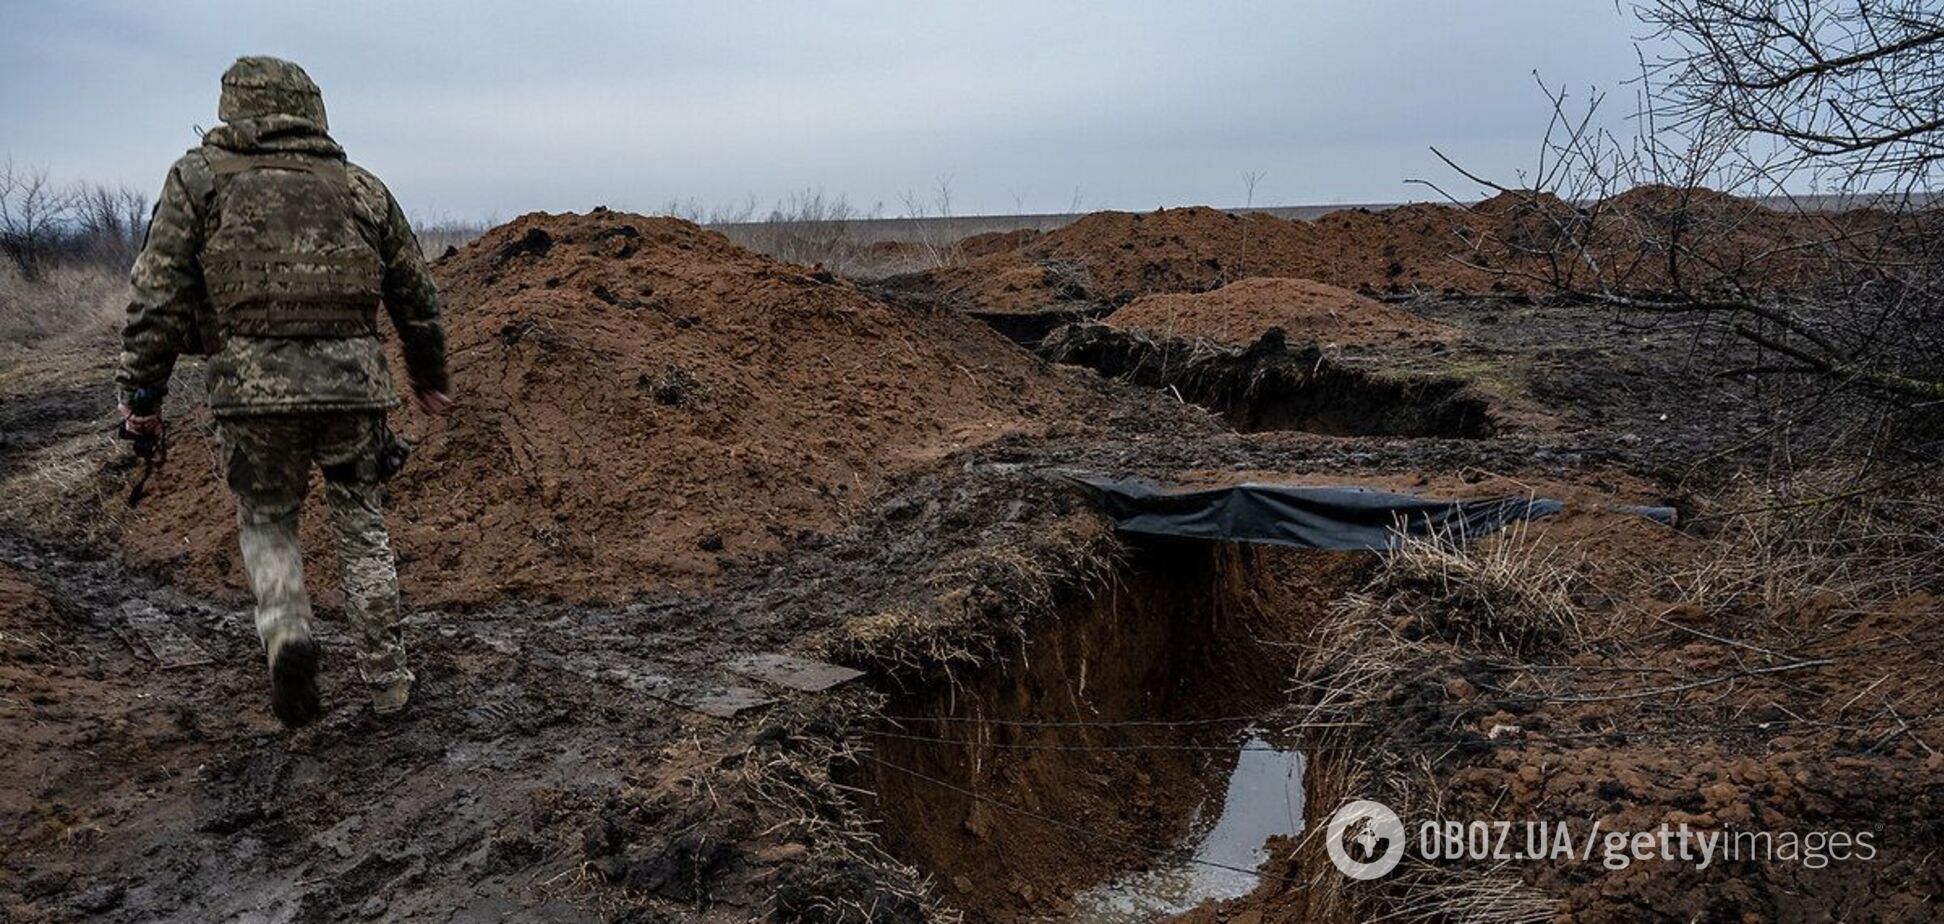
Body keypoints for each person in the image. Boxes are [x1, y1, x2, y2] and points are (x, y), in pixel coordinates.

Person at [116, 56, 451, 727]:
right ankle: (388, 680)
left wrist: (141, 397)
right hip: (355, 393)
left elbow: (157, 298)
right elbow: (416, 296)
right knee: (361, 524)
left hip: (250, 395)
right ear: (312, 109)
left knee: (268, 521)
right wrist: (428, 378)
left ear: (233, 108)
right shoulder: (361, 188)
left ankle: (288, 633)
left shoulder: (198, 181)